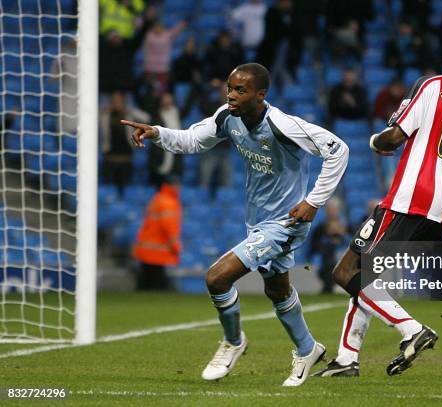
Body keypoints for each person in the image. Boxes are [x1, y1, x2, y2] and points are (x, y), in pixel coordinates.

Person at [121, 63, 349, 386]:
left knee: (217, 278)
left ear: (261, 94)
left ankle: (233, 342)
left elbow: (338, 150)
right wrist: (158, 133)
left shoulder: (283, 125)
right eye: (229, 88)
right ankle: (307, 348)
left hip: (286, 222)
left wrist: (314, 201)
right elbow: (191, 141)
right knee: (277, 289)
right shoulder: (228, 118)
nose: (231, 95)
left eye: (240, 90)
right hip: (257, 221)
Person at [314, 43, 442, 377]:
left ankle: (412, 330)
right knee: (367, 279)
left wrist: (375, 142)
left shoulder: (433, 86)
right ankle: (347, 359)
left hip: (409, 198)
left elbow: (393, 138)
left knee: (345, 273)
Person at [132, 178, 182, 290]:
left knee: (146, 281)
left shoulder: (158, 198)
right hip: (158, 248)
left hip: (147, 246)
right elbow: (169, 226)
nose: (180, 188)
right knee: (156, 283)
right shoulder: (168, 202)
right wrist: (175, 245)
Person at [100, 91, 149, 195]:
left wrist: (131, 112)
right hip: (109, 157)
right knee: (108, 191)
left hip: (126, 157)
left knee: (126, 189)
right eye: (114, 100)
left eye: (119, 100)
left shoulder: (129, 114)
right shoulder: (105, 114)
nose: (116, 103)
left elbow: (147, 118)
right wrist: (102, 111)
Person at [308, 197, 347, 294]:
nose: (332, 212)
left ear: (338, 210)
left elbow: (352, 242)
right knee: (328, 260)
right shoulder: (320, 228)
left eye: (334, 209)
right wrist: (329, 242)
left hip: (342, 255)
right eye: (329, 209)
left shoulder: (345, 226)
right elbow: (314, 246)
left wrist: (342, 236)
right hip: (326, 257)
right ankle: (330, 285)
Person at [148, 93, 183, 187]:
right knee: (157, 189)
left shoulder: (177, 113)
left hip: (175, 158)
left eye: (169, 99)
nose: (167, 102)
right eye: (165, 99)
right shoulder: (156, 115)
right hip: (159, 157)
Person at [143, 19, 187, 92]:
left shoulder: (167, 35)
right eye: (156, 27)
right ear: (153, 28)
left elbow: (176, 30)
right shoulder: (148, 36)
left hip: (163, 69)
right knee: (150, 89)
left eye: (160, 27)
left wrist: (183, 23)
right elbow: (140, 28)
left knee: (162, 90)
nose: (158, 29)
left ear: (163, 28)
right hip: (150, 68)